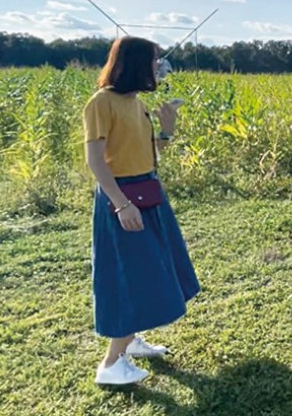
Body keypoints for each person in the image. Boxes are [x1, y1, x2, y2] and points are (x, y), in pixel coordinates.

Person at [84, 37, 200, 385]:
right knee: (132, 276)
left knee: (150, 270)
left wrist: (167, 129)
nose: (159, 67)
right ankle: (110, 365)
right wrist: (120, 204)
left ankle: (131, 342)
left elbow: (150, 154)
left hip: (148, 193)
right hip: (122, 199)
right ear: (134, 63)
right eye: (153, 60)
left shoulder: (137, 104)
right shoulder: (101, 103)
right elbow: (95, 160)